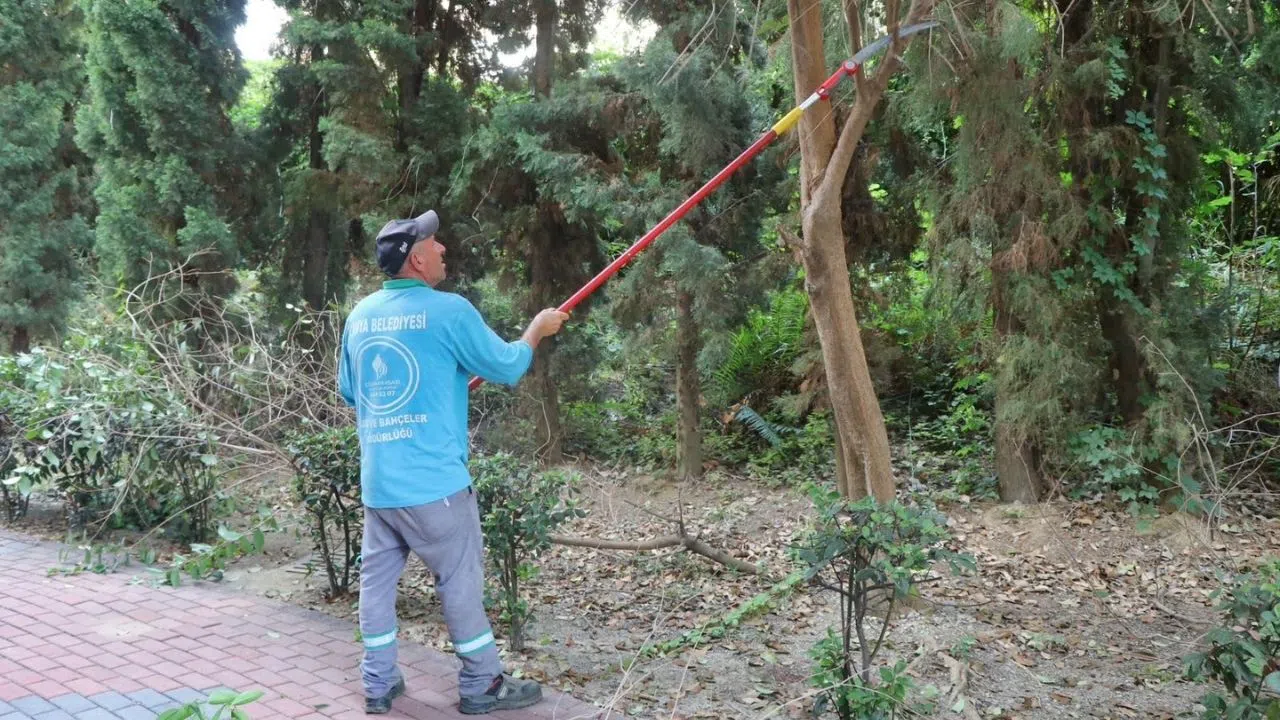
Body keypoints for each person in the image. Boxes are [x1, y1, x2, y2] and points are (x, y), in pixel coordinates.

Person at [337, 210, 568, 715]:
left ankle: (377, 684)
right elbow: (508, 365)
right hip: (436, 488)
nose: (443, 250)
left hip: (380, 487)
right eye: (435, 244)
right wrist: (536, 329)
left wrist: (435, 383)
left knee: (375, 585)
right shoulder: (449, 311)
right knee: (459, 584)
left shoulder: (360, 317)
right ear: (416, 259)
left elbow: (354, 393)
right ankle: (482, 685)